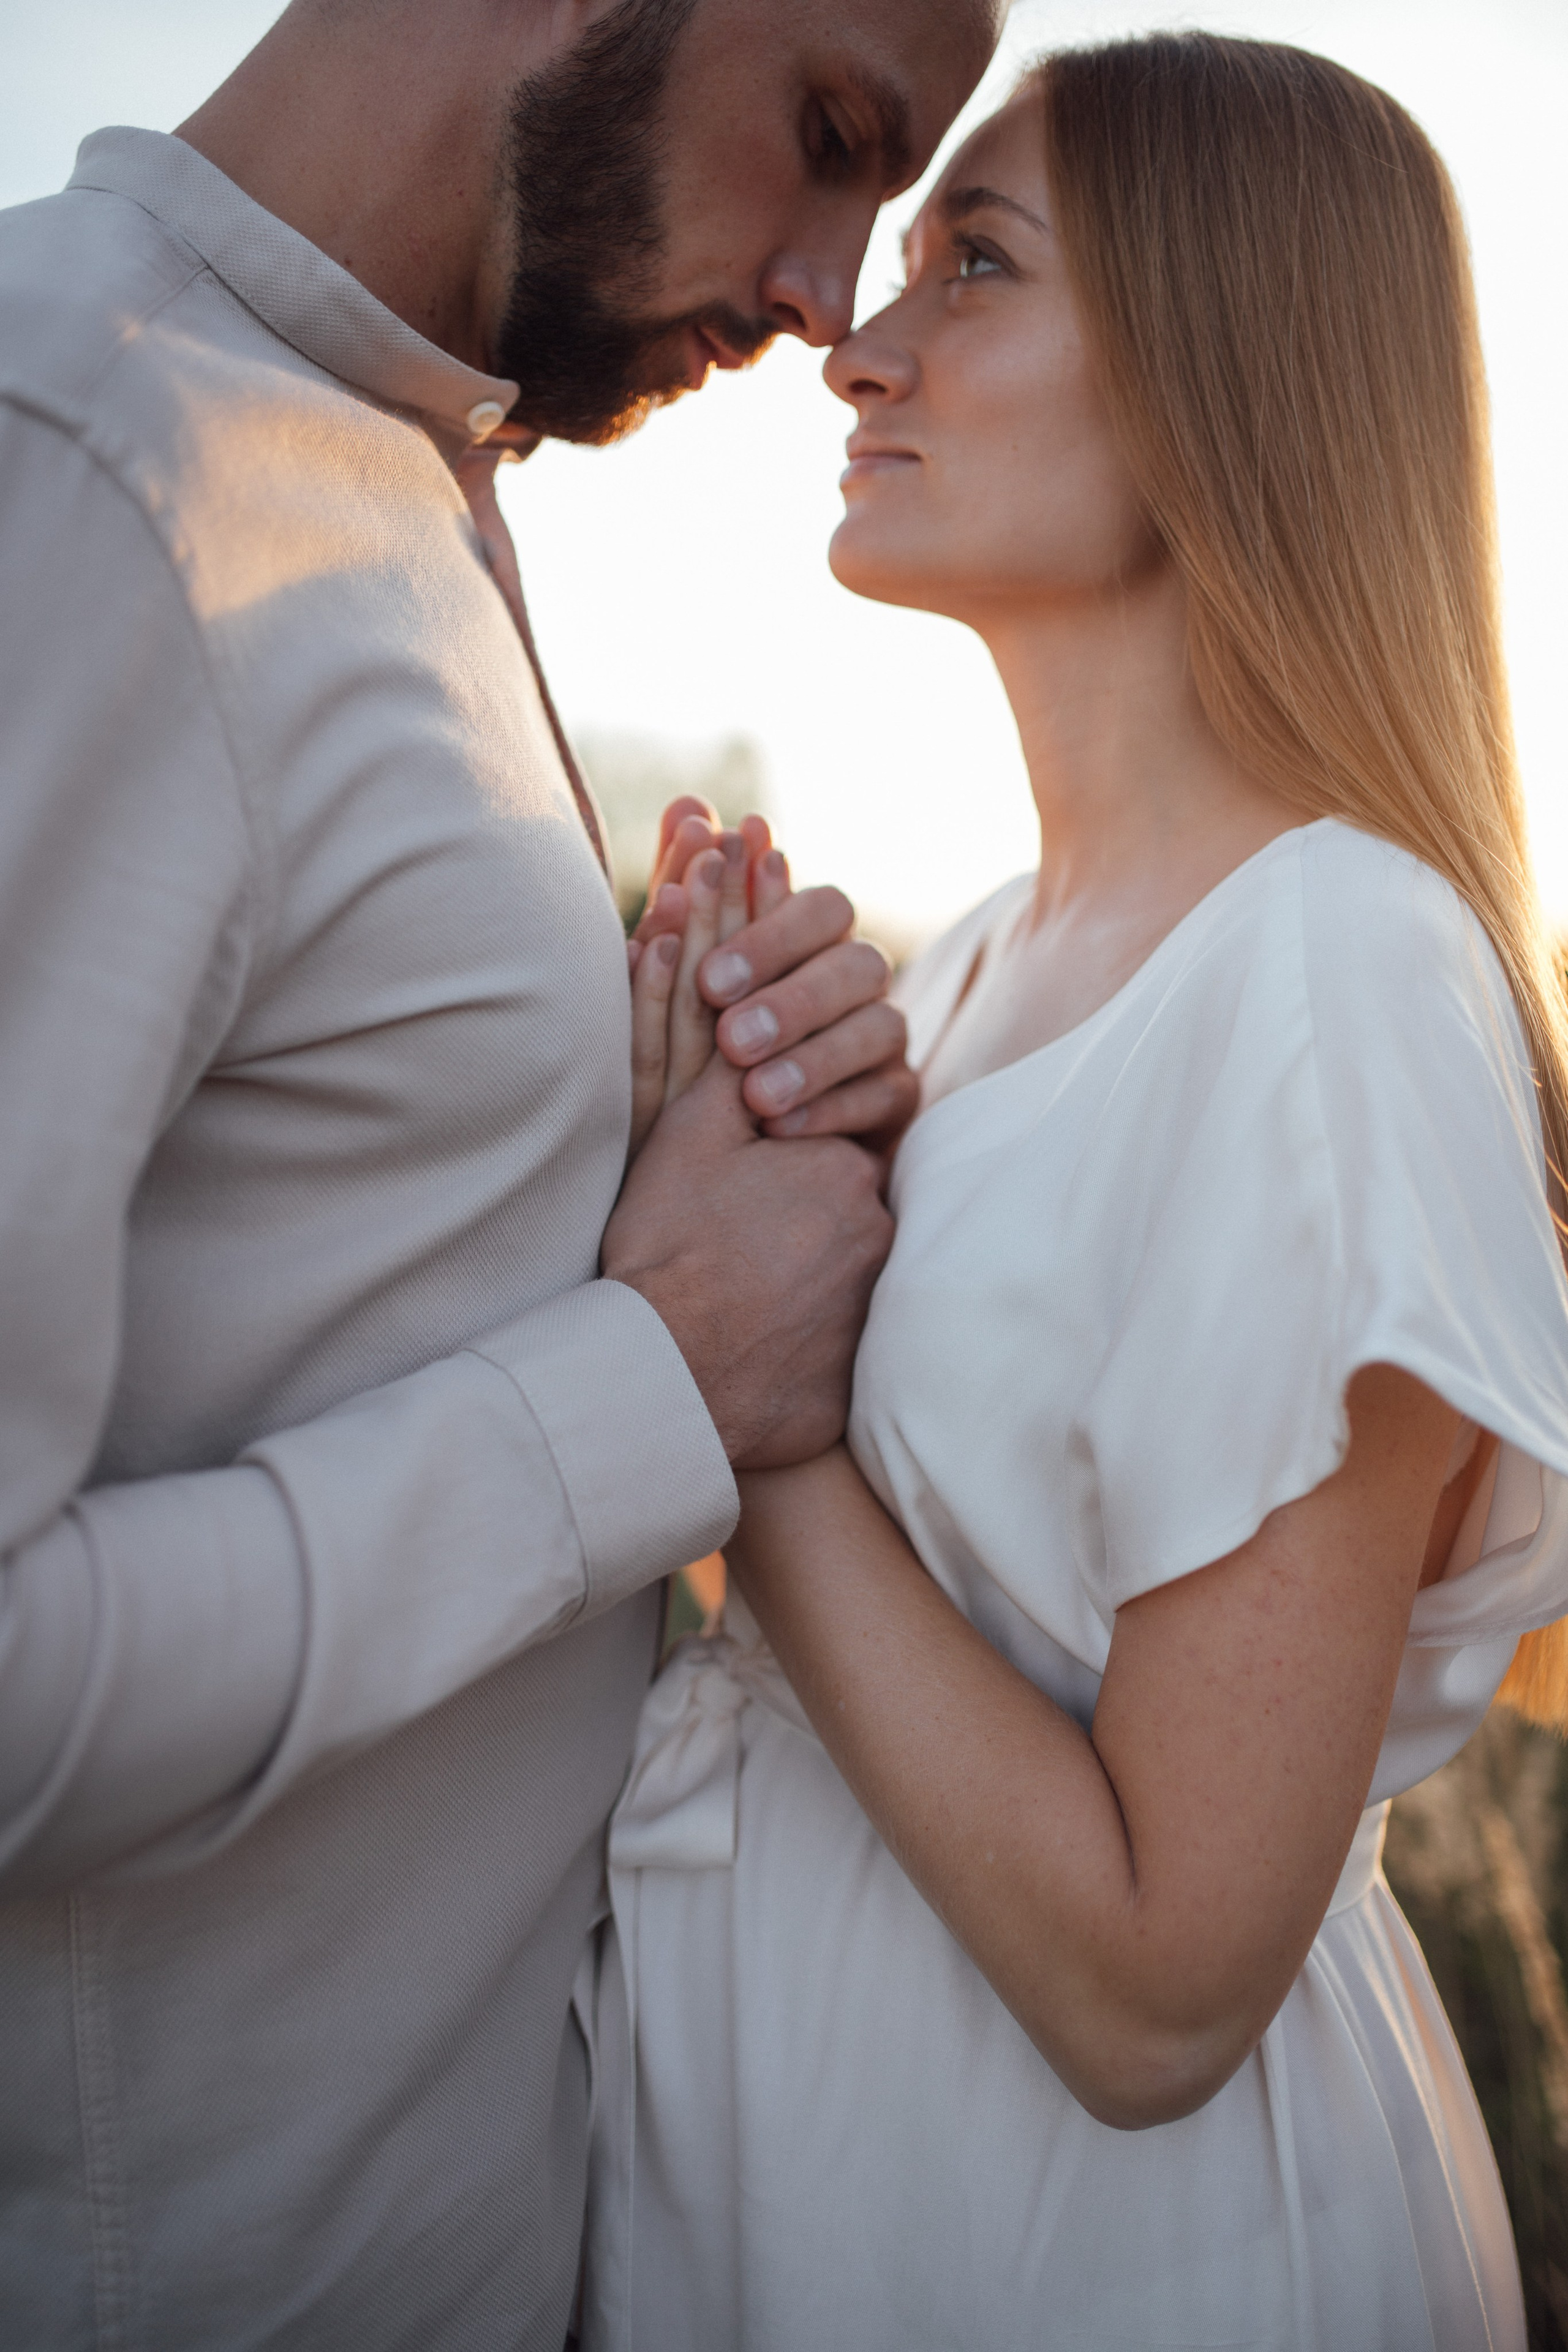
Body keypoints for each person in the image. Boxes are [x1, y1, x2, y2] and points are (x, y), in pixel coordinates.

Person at [0, 0, 1005, 2344]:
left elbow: (328, 1251)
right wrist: (657, 1374)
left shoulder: (406, 476)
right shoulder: (86, 465)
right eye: (837, 136)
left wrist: (685, 1125)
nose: (830, 299)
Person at [589, 35, 1568, 2351]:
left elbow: (1153, 1993)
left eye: (977, 268)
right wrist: (702, 1132)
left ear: (1220, 374)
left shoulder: (1336, 972)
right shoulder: (976, 968)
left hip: (1096, 2263)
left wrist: (742, 1396)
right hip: (794, 2186)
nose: (858, 340)